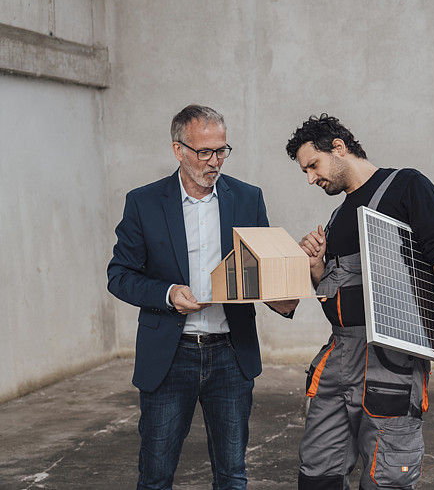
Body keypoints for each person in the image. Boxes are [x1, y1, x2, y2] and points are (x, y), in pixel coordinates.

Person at [108, 104, 296, 490]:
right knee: (155, 475)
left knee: (232, 474)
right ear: (178, 150)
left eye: (222, 150)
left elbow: (263, 267)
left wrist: (293, 280)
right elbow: (120, 276)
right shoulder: (143, 202)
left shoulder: (248, 198)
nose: (215, 161)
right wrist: (168, 293)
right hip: (169, 355)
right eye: (204, 151)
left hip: (231, 353)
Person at [285, 114, 434, 490]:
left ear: (338, 147)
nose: (311, 179)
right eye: (305, 172)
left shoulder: (405, 186)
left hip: (390, 358)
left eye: (313, 166)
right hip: (340, 355)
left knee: (387, 476)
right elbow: (336, 298)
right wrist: (316, 267)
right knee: (318, 469)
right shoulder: (338, 217)